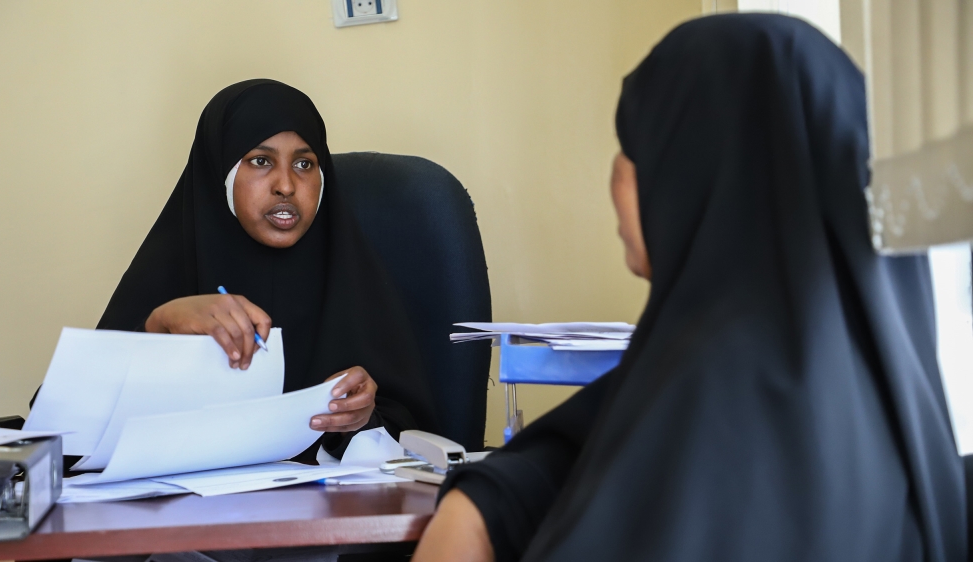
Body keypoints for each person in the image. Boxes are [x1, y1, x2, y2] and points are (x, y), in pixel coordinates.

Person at [413, 14, 965, 562]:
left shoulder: (719, 403)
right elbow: (574, 446)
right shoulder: (880, 385)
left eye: (635, 146)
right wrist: (484, 500)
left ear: (698, 171)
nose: (616, 173)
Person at [97, 79, 438, 459]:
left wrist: (359, 417)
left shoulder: (354, 282)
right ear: (219, 171)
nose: (286, 186)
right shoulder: (167, 281)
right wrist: (157, 329)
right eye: (261, 161)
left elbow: (418, 442)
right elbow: (72, 438)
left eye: (305, 164)